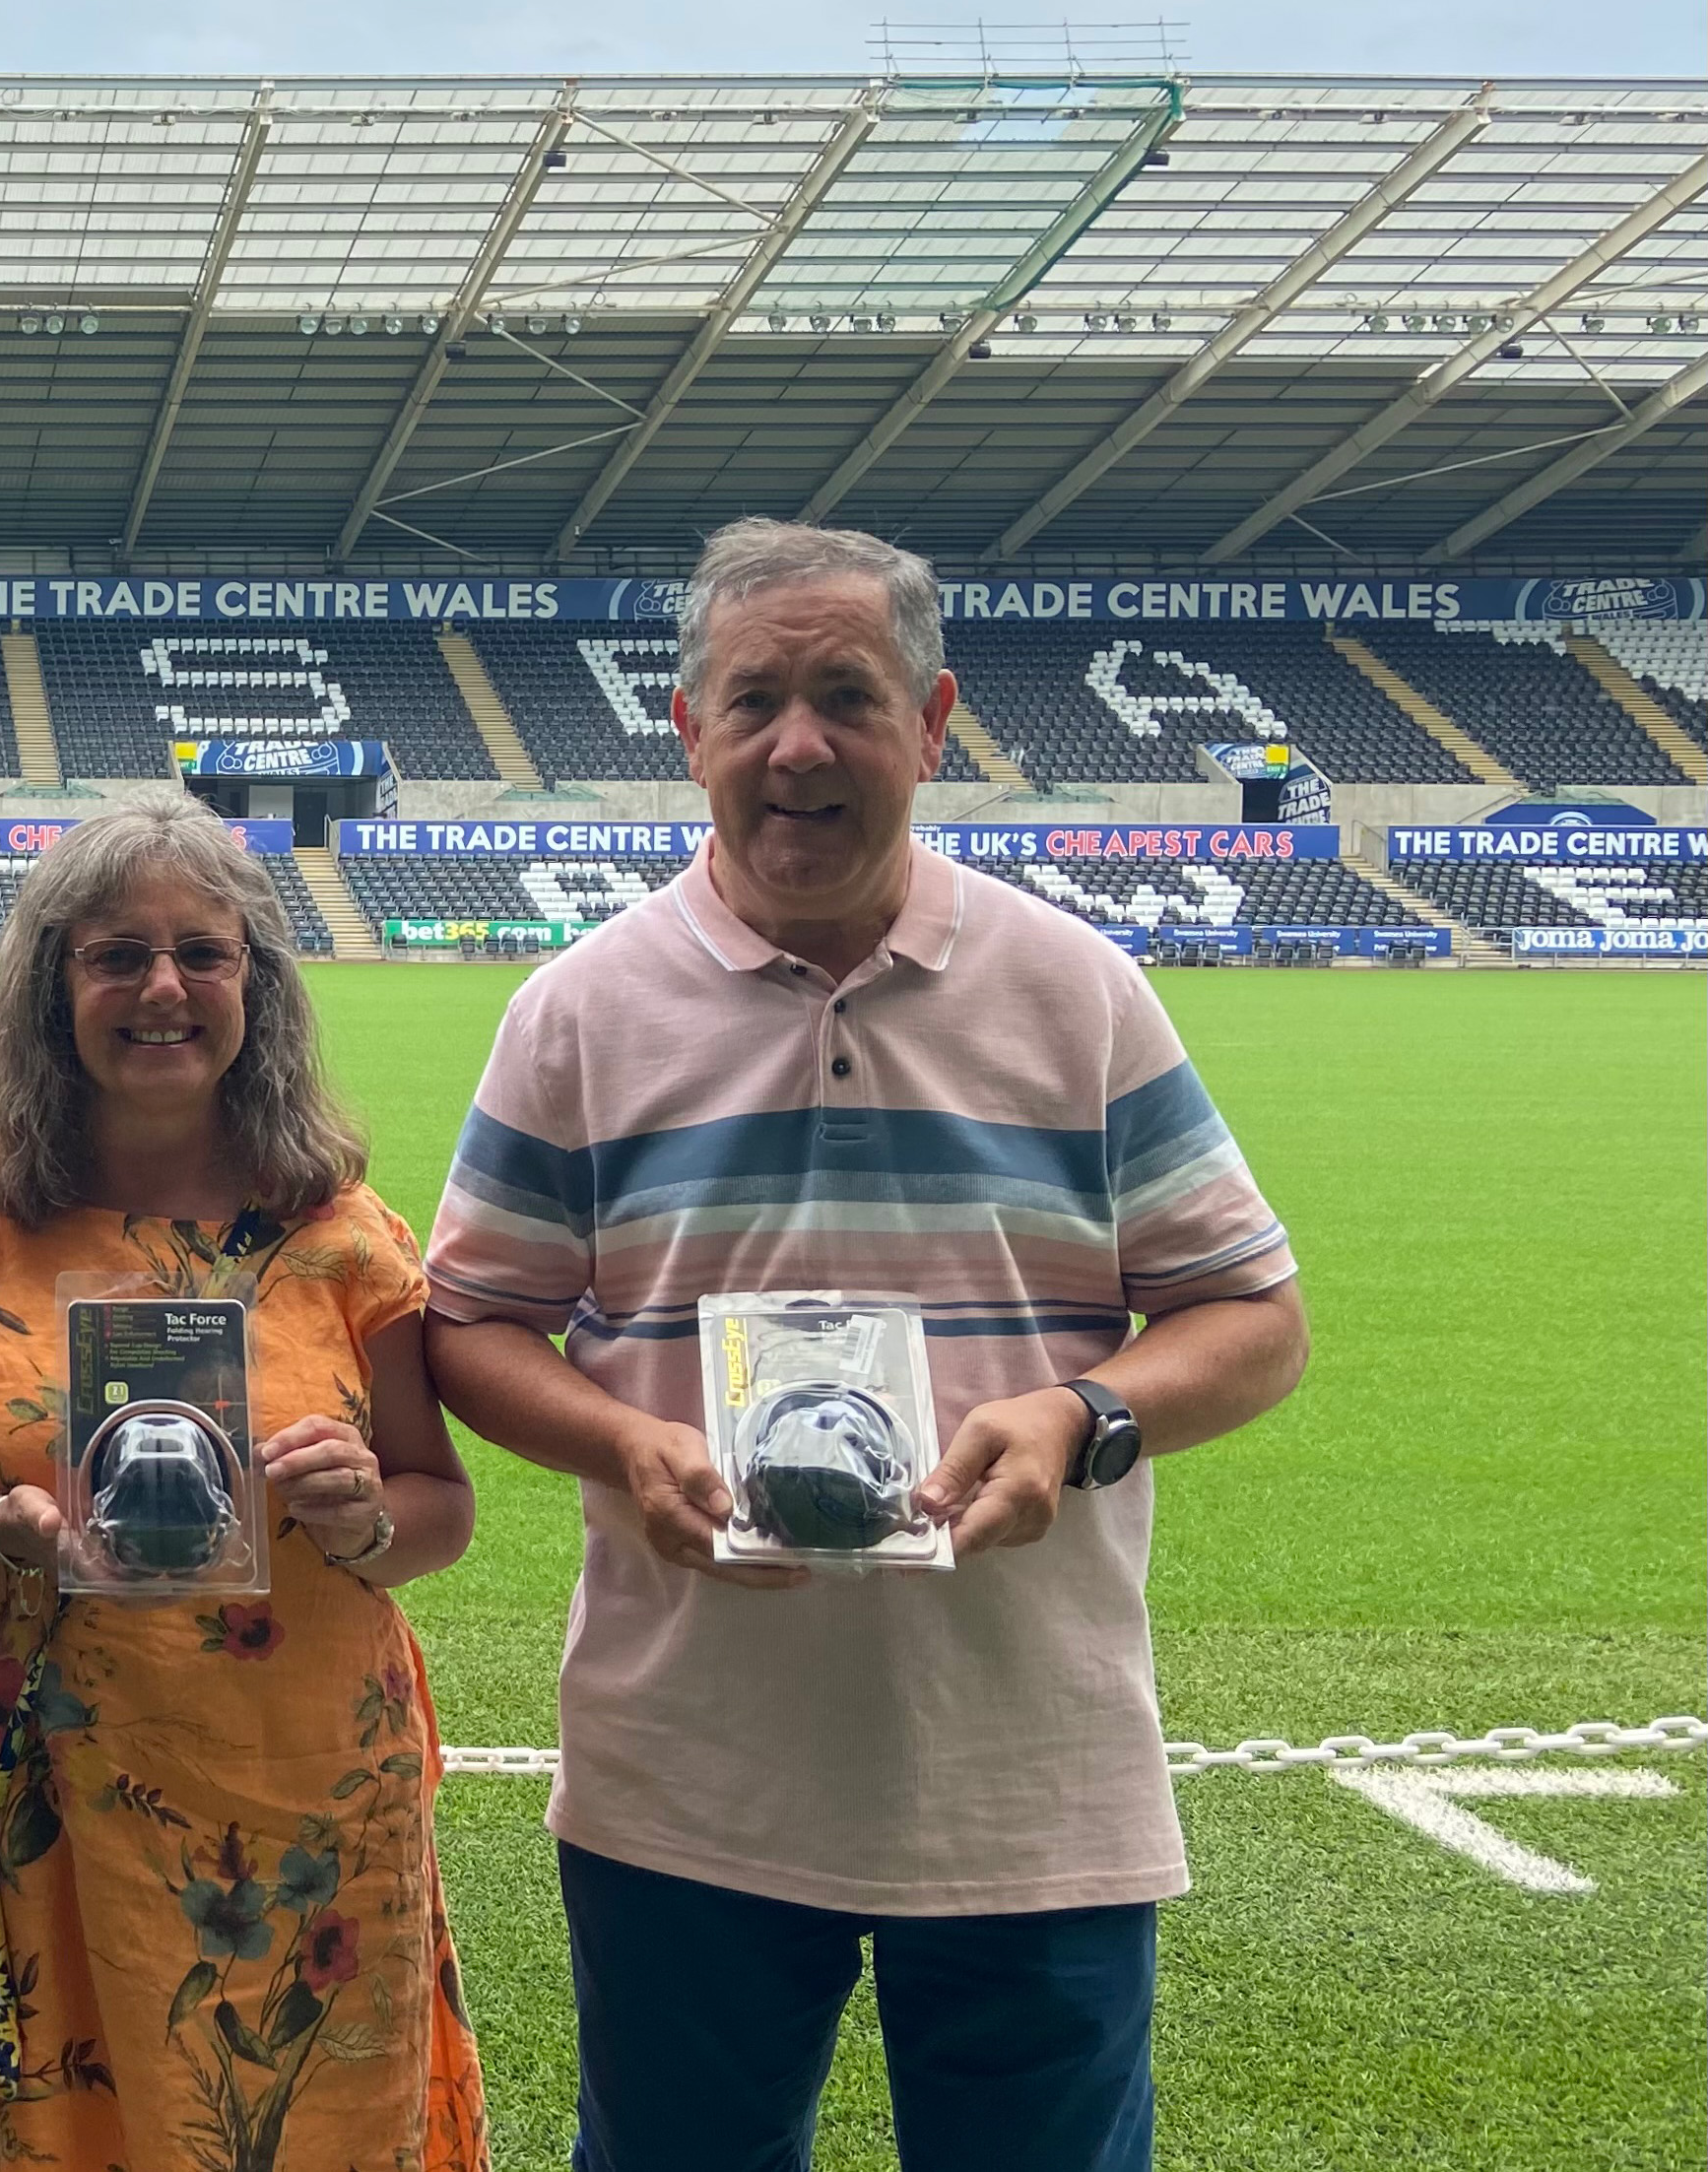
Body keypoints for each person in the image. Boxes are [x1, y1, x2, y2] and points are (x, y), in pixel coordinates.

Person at [422, 517, 1311, 2172]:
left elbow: (1255, 1317)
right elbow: (468, 1319)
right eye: (754, 700)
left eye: (848, 695)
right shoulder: (580, 1010)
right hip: (687, 1774)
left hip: (1028, 1774)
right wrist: (622, 1441)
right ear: (687, 731)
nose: (800, 744)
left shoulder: (1076, 990)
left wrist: (1080, 1415)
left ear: (935, 720)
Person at [0, 798, 490, 2172]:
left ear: (259, 981)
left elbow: (439, 1506)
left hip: (301, 1806)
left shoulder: (342, 1231)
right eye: (118, 955)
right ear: (53, 983)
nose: (164, 988)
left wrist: (367, 1515)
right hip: (38, 1788)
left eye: (205, 952)